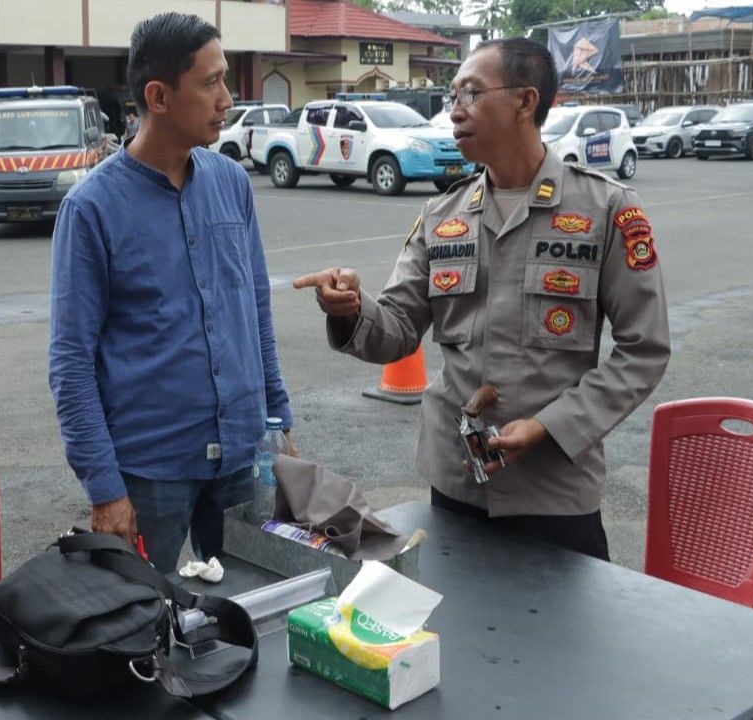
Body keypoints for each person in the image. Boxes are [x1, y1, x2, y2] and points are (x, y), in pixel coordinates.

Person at [294, 38, 671, 561]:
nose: (454, 110)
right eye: (453, 95)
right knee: (462, 633)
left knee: (565, 638)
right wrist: (353, 308)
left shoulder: (606, 209)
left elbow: (644, 348)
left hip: (554, 492)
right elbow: (400, 326)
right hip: (456, 482)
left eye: (471, 93)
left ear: (525, 101)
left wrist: (549, 426)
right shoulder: (442, 214)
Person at [49, 12, 294, 574]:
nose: (227, 99)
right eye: (211, 83)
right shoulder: (91, 209)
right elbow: (71, 361)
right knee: (140, 628)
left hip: (241, 455)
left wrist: (277, 421)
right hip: (150, 470)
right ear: (157, 96)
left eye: (225, 79)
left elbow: (255, 310)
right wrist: (105, 488)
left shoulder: (231, 183)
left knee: (248, 615)